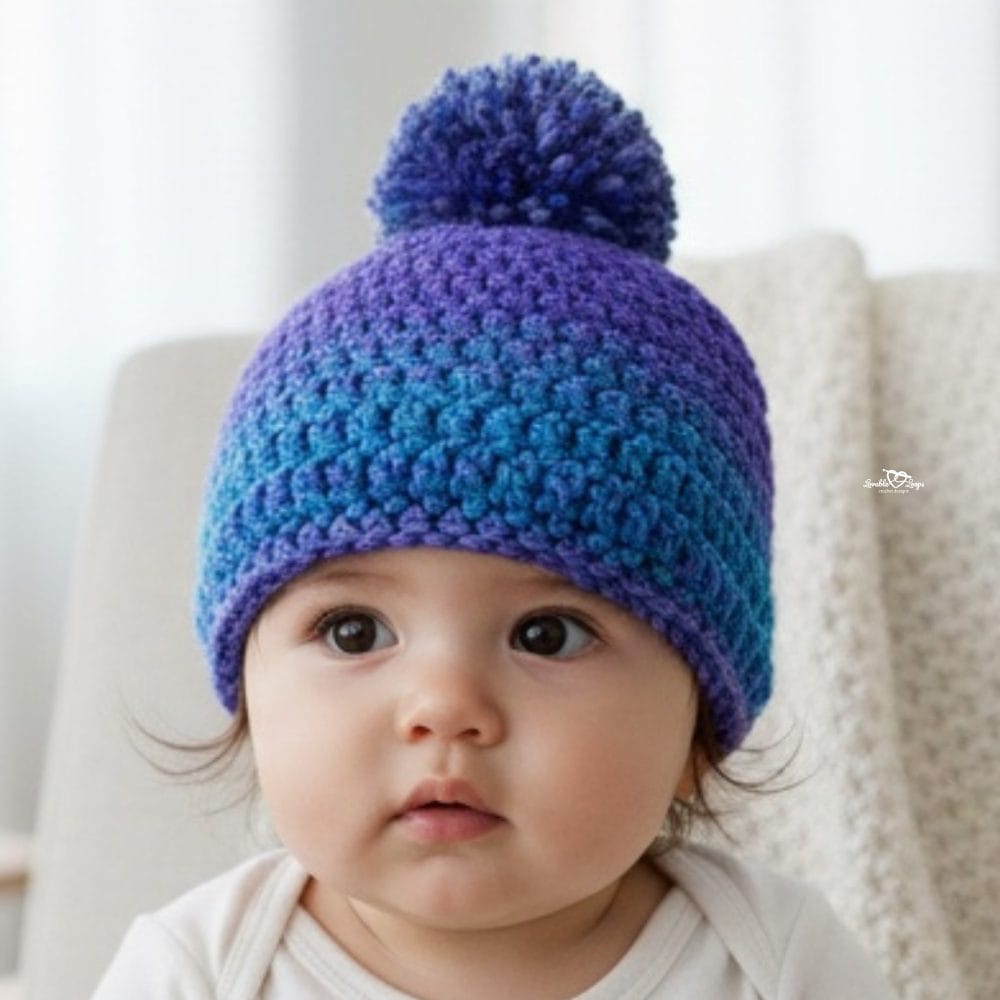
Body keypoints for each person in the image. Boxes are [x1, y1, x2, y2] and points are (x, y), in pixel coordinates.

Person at [94, 54, 896, 999]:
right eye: (354, 630)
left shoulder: (776, 961)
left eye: (546, 633)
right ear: (246, 695)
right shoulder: (199, 969)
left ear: (698, 734)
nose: (444, 705)